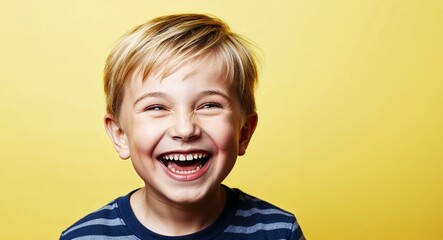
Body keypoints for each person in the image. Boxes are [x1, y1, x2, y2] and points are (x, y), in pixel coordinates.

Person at [60, 13, 305, 240]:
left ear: (244, 132)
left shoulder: (280, 232)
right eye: (156, 108)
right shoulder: (83, 237)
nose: (185, 129)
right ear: (120, 135)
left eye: (209, 105)